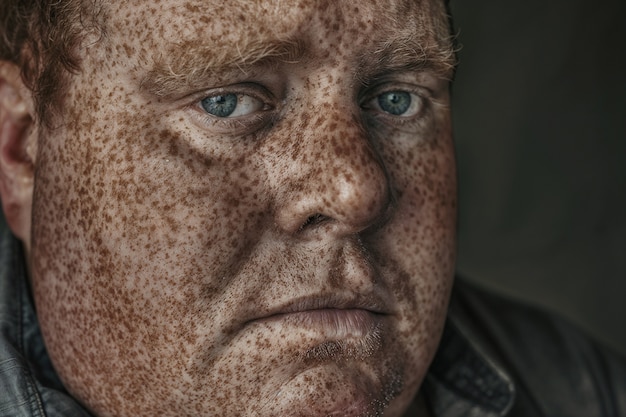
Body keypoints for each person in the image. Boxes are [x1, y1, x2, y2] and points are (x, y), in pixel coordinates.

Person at [0, 1, 623, 416]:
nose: (356, 191)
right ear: (21, 146)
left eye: (398, 99)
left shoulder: (582, 391)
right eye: (227, 102)